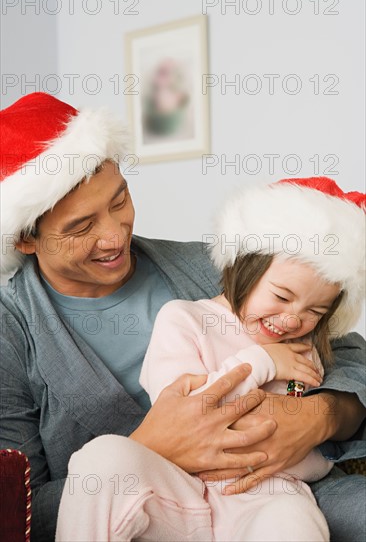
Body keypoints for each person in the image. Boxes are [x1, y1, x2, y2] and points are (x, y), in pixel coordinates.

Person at [0, 93, 364, 542]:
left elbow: (341, 348)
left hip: (273, 485)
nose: (115, 236)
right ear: (24, 238)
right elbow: (16, 502)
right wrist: (152, 446)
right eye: (81, 228)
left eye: (119, 201)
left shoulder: (214, 265)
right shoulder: (10, 331)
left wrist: (318, 415)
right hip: (147, 503)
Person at [139, 178, 366, 540]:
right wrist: (264, 362)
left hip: (276, 500)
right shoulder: (184, 321)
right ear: (245, 267)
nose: (293, 320)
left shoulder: (304, 347)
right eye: (281, 296)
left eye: (316, 311)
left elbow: (305, 441)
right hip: (192, 495)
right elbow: (187, 415)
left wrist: (296, 446)